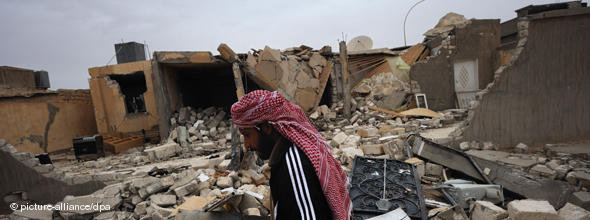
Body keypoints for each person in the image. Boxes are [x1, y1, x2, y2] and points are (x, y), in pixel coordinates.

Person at [231, 90, 352, 220]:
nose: (247, 145)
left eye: (247, 135)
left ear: (266, 127)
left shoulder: (294, 163)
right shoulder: (286, 155)